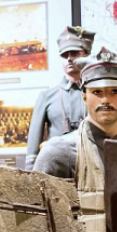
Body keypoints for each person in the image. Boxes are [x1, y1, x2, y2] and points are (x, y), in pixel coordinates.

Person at [33, 47, 117, 232]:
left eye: (114, 92)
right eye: (97, 92)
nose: (106, 100)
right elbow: (36, 228)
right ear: (84, 96)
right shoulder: (58, 153)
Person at [25, 25, 94, 170]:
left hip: (93, 165)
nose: (69, 59)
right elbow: (34, 141)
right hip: (58, 168)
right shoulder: (47, 96)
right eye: (65, 55)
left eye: (75, 54)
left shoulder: (98, 94)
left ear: (87, 56)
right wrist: (30, 171)